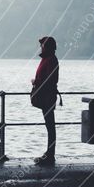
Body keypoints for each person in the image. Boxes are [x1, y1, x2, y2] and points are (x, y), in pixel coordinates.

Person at [30, 35, 59, 166]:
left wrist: (36, 82)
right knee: (49, 125)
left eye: (42, 45)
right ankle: (49, 153)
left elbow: (49, 79)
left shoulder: (50, 60)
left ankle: (50, 154)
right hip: (47, 96)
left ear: (46, 46)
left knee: (50, 126)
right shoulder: (48, 59)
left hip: (47, 97)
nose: (40, 47)